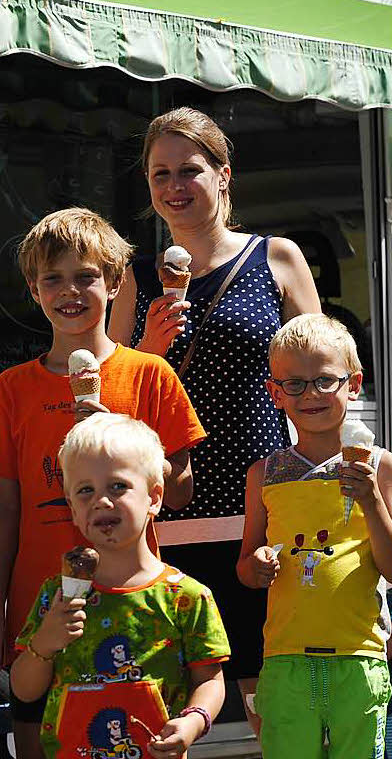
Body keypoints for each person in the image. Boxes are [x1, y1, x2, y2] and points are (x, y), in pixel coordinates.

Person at [0, 207, 206, 758]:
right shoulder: (12, 389)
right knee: (38, 737)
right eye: (52, 278)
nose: (69, 291)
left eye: (86, 276)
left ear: (116, 283)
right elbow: (6, 508)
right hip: (39, 606)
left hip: (132, 604)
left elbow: (182, 487)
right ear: (33, 289)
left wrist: (115, 446)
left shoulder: (150, 374)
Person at [108, 106, 321, 717]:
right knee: (171, 691)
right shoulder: (136, 275)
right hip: (169, 499)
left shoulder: (274, 256)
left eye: (190, 171)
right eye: (160, 175)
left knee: (267, 682)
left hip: (262, 496)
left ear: (224, 175)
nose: (175, 187)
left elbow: (319, 362)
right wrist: (148, 349)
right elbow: (116, 393)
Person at [12, 414, 229, 759]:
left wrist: (193, 721)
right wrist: (44, 643)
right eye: (85, 491)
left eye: (117, 486)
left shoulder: (186, 596)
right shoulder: (59, 593)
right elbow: (24, 690)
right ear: (71, 507)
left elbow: (209, 681)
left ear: (154, 498)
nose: (101, 501)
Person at [238, 313, 392, 758]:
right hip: (285, 658)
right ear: (274, 392)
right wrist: (260, 565)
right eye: (295, 384)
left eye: (325, 381)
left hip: (359, 656)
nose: (311, 395)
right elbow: (245, 568)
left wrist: (371, 501)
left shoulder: (379, 467)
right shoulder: (263, 474)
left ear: (354, 384)